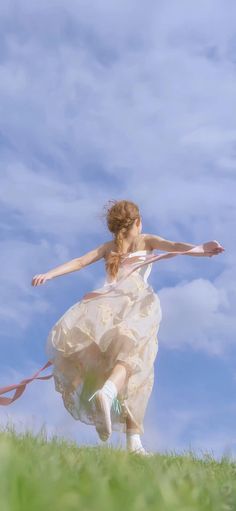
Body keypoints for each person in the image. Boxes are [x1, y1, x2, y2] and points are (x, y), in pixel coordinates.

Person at [0, 199, 224, 455]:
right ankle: (110, 400)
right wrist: (200, 249)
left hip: (106, 309)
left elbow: (79, 262)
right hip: (136, 306)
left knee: (127, 366)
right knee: (137, 365)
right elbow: (173, 246)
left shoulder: (109, 247)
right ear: (137, 223)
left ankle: (130, 436)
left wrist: (49, 274)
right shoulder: (146, 240)